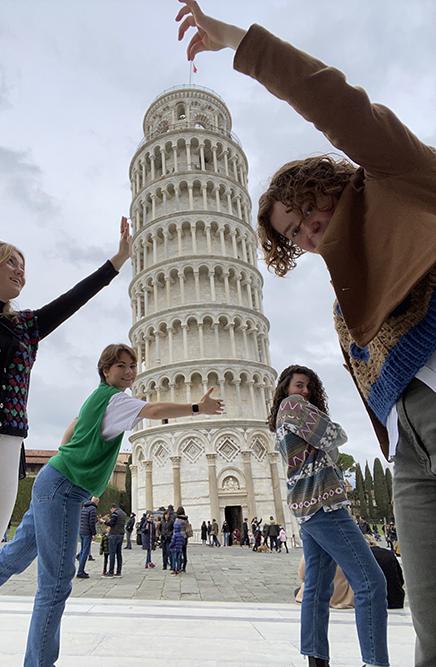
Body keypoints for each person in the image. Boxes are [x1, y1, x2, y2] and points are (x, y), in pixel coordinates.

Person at [176, 3, 436, 665]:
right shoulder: (342, 308)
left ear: (322, 182)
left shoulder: (397, 177)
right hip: (413, 447)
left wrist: (239, 42)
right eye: (292, 233)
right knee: (431, 622)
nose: (305, 230)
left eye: (305, 211)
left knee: (373, 584)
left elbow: (334, 100)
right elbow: (356, 418)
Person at [0, 218, 131, 666]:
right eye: (11, 261)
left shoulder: (25, 327)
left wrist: (116, 262)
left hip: (4, 464)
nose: (21, 270)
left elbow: (72, 301)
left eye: (25, 264)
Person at [0, 343, 224, 666]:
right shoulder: (117, 400)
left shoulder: (97, 397)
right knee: (56, 582)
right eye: (121, 366)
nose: (129, 372)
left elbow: (73, 426)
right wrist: (197, 408)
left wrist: (66, 457)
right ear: (106, 370)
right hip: (63, 488)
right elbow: (154, 412)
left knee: (13, 558)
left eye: (132, 366)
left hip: (55, 481)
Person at [268, 365, 388, 667]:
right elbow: (336, 435)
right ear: (285, 388)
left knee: (317, 587)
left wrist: (326, 442)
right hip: (325, 505)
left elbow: (328, 443)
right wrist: (328, 437)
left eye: (309, 386)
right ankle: (375, 662)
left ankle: (316, 659)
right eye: (299, 385)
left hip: (305, 508)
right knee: (371, 582)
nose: (305, 391)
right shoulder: (292, 407)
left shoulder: (282, 417)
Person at [365, 535, 405, 610]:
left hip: (374, 599)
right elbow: (400, 578)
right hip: (395, 597)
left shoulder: (364, 556)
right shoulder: (389, 553)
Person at [76, 497, 99, 578]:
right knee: (85, 552)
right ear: (96, 502)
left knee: (83, 550)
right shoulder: (92, 509)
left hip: (81, 531)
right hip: (87, 532)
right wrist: (94, 533)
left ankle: (79, 559)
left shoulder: (84, 507)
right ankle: (80, 571)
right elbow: (91, 522)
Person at [104, 503, 126, 578]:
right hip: (121, 534)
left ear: (113, 508)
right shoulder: (123, 513)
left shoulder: (115, 513)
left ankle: (111, 572)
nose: (111, 511)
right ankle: (118, 571)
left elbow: (111, 523)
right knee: (119, 553)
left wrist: (104, 522)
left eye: (111, 510)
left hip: (114, 534)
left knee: (112, 553)